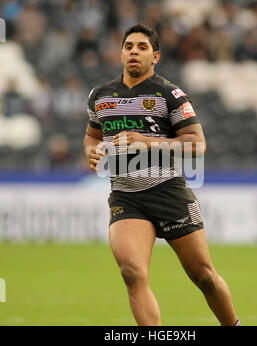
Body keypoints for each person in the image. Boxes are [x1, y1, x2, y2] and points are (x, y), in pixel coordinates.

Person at [83, 24, 239, 326]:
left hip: (168, 191)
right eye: (128, 46)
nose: (134, 52)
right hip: (126, 196)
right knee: (132, 272)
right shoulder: (99, 97)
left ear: (155, 56)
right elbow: (91, 137)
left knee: (203, 275)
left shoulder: (170, 94)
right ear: (121, 53)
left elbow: (198, 145)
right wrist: (91, 151)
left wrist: (146, 142)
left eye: (142, 47)